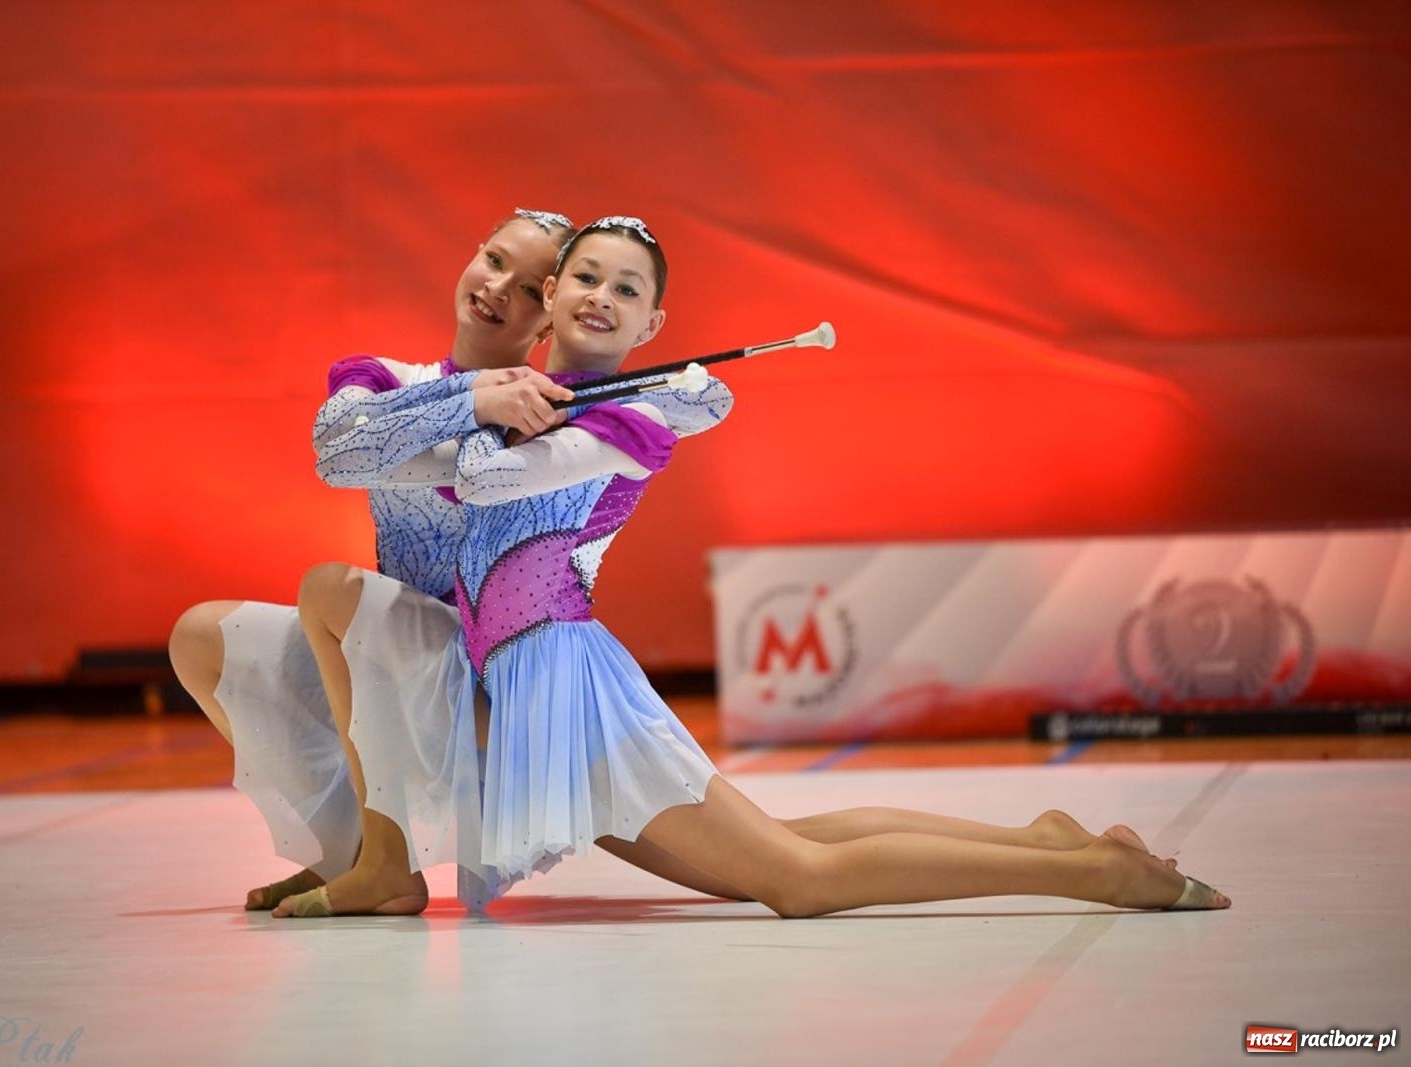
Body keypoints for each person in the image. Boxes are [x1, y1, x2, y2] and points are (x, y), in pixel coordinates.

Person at [276, 216, 1228, 917]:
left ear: (652, 325)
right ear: (549, 300)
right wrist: (494, 394)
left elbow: (487, 483)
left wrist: (507, 405)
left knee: (792, 880)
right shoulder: (538, 391)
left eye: (628, 290)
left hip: (569, 687)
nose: (602, 298)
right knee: (776, 847)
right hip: (523, 687)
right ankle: (1045, 838)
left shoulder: (630, 416)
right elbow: (378, 451)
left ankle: (1091, 875)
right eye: (586, 279)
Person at [168, 208, 576, 909]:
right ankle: (346, 853)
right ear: (473, 255)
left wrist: (493, 407)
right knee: (200, 636)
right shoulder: (382, 375)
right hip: (381, 667)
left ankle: (385, 863)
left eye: (534, 290)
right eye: (495, 259)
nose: (499, 287)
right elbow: (340, 448)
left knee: (765, 861)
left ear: (550, 326)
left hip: (478, 688)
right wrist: (473, 396)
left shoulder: (545, 420)